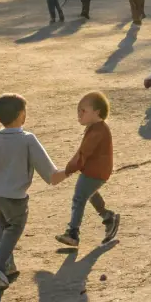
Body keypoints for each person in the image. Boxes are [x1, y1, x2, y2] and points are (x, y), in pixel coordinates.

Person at [0, 92, 64, 290]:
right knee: (14, 227)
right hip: (16, 197)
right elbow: (50, 173)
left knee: (3, 224)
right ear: (22, 114)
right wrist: (70, 170)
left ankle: (8, 265)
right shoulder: (28, 139)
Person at [51, 92, 119, 247]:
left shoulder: (97, 131)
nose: (79, 114)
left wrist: (66, 172)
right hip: (97, 171)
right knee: (90, 193)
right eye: (78, 110)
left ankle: (73, 233)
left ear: (97, 112)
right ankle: (109, 218)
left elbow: (82, 155)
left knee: (79, 197)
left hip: (95, 171)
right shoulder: (95, 127)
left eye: (83, 111)